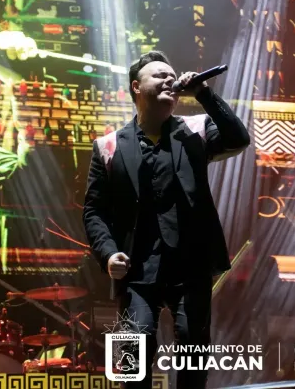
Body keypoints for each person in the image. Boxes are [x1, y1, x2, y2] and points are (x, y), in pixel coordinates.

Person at [83, 51, 250, 389]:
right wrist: (108, 253)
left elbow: (238, 139)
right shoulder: (108, 146)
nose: (169, 79)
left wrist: (203, 93)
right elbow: (94, 210)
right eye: (159, 75)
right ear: (136, 87)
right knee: (131, 362)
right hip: (136, 270)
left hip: (190, 267)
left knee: (193, 352)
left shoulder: (195, 130)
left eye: (172, 75)